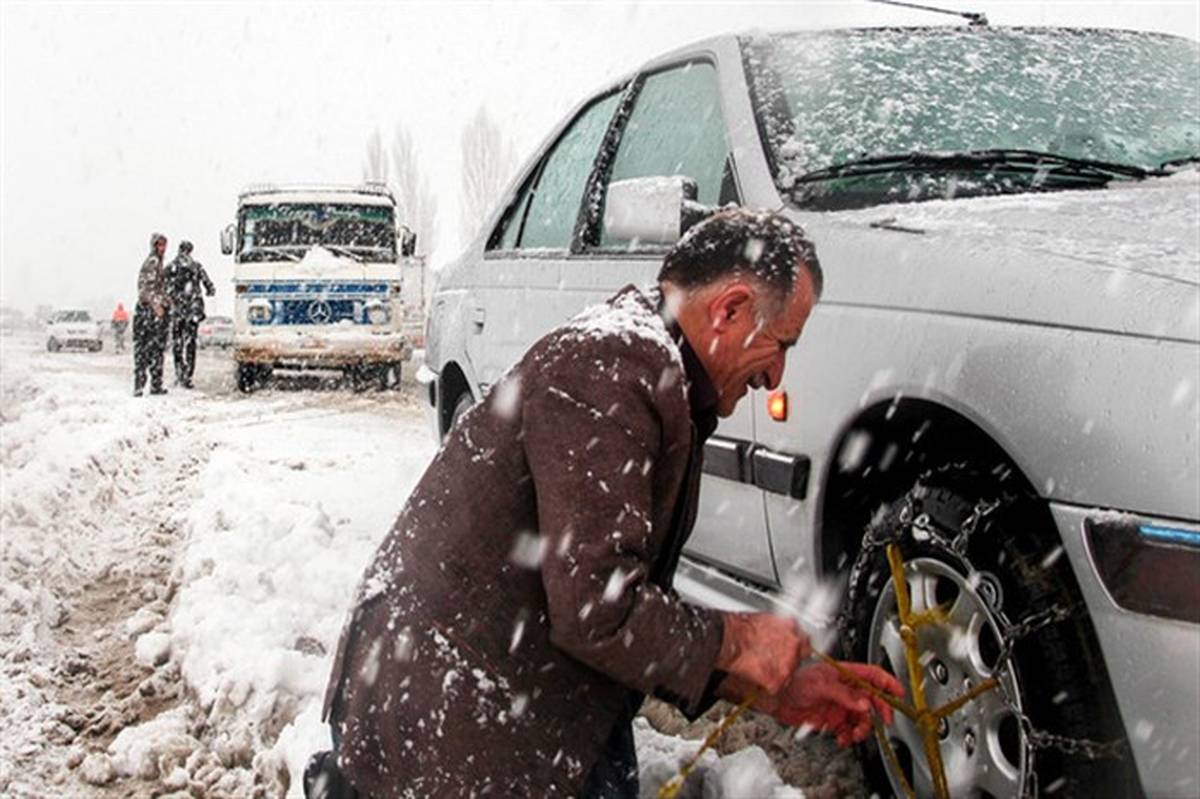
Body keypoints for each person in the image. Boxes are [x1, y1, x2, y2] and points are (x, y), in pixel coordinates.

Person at [313, 209, 902, 799]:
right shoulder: (611, 370)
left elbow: (607, 599)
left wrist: (766, 683)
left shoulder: (649, 365)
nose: (776, 376)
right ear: (729, 310)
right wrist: (739, 642)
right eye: (780, 344)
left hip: (511, 697)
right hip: (452, 719)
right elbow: (598, 607)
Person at [165, 240, 215, 388]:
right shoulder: (196, 266)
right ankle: (188, 375)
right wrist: (208, 290)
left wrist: (171, 297)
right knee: (190, 343)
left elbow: (163, 283)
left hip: (178, 310)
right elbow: (209, 285)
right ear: (190, 251)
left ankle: (179, 372)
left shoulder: (172, 267)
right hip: (192, 310)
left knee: (177, 343)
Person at [134, 233, 170, 396]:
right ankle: (141, 385)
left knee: (155, 351)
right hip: (148, 314)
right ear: (154, 246)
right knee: (147, 351)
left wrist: (168, 301)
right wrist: (156, 305)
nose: (163, 249)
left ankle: (154, 384)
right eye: (160, 245)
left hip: (153, 312)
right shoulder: (153, 263)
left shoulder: (158, 263)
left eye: (164, 245)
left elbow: (158, 289)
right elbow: (145, 289)